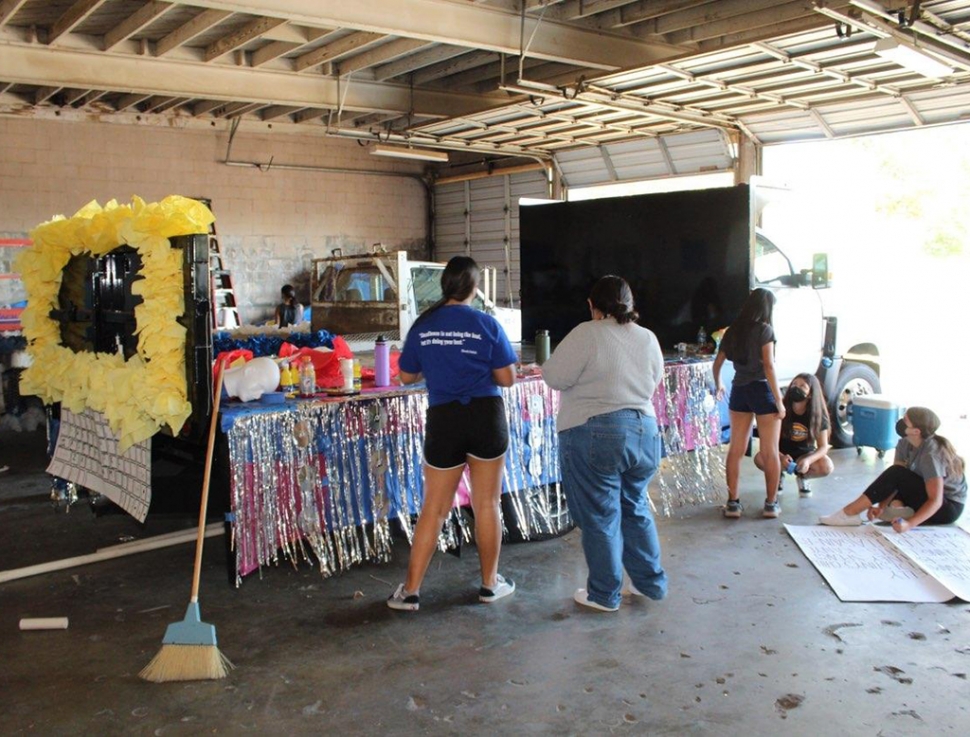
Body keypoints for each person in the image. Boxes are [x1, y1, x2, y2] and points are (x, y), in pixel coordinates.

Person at [387, 256, 518, 611]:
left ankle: (411, 591)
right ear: (474, 288)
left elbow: (406, 377)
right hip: (485, 416)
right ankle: (490, 585)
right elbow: (507, 378)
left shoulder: (424, 325)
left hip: (444, 419)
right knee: (487, 503)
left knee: (434, 508)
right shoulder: (486, 323)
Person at [542, 275, 667, 613]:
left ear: (592, 305)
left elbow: (555, 376)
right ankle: (648, 583)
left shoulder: (587, 333)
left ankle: (604, 594)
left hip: (595, 431)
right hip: (645, 432)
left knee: (600, 514)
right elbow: (655, 379)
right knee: (635, 505)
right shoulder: (648, 337)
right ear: (631, 305)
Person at [819, 407, 965, 531]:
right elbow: (893, 482)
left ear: (916, 431)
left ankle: (849, 513)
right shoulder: (904, 443)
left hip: (947, 507)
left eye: (905, 421)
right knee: (894, 492)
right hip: (924, 493)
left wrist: (909, 524)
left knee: (897, 473)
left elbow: (936, 500)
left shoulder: (930, 454)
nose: (900, 422)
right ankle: (898, 510)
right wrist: (881, 506)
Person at [712, 288, 785, 519]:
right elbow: (769, 366)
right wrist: (779, 401)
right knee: (770, 451)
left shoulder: (732, 331)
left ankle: (733, 503)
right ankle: (771, 504)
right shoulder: (765, 330)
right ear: (767, 308)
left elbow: (717, 363)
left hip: (740, 390)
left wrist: (719, 384)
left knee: (736, 448)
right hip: (762, 390)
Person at [755, 372, 833, 496]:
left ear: (810, 394)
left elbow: (823, 447)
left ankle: (803, 477)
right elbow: (769, 441)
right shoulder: (780, 409)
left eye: (802, 386)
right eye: (794, 384)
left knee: (826, 466)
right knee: (759, 458)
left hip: (804, 454)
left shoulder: (819, 415)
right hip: (780, 453)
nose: (796, 388)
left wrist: (808, 460)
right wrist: (781, 457)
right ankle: (777, 474)